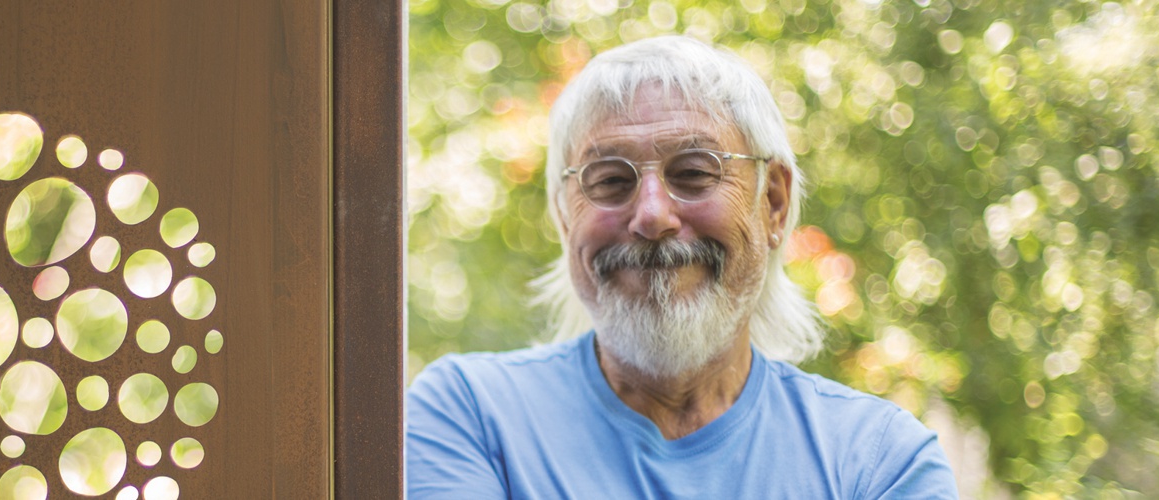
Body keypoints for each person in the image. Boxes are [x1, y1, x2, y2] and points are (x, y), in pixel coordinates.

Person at [405, 36, 959, 498]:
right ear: (562, 216)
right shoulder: (469, 417)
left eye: (694, 172)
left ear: (773, 203)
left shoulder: (880, 462)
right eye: (610, 182)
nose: (651, 216)